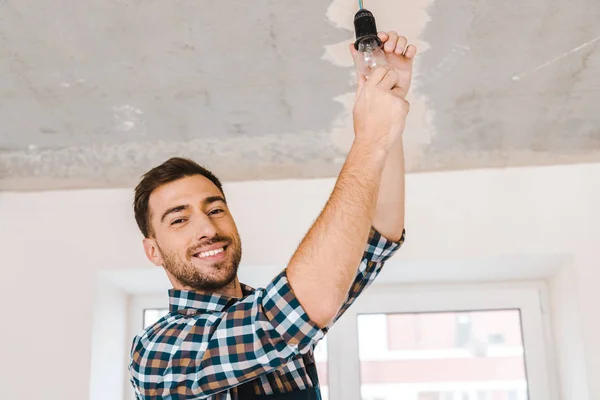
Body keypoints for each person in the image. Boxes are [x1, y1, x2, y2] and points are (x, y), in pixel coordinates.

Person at [129, 30, 417, 399]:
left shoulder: (274, 312)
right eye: (179, 219)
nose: (206, 227)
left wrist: (389, 110)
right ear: (153, 250)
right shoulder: (159, 352)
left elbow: (377, 236)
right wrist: (369, 136)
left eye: (215, 208)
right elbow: (290, 315)